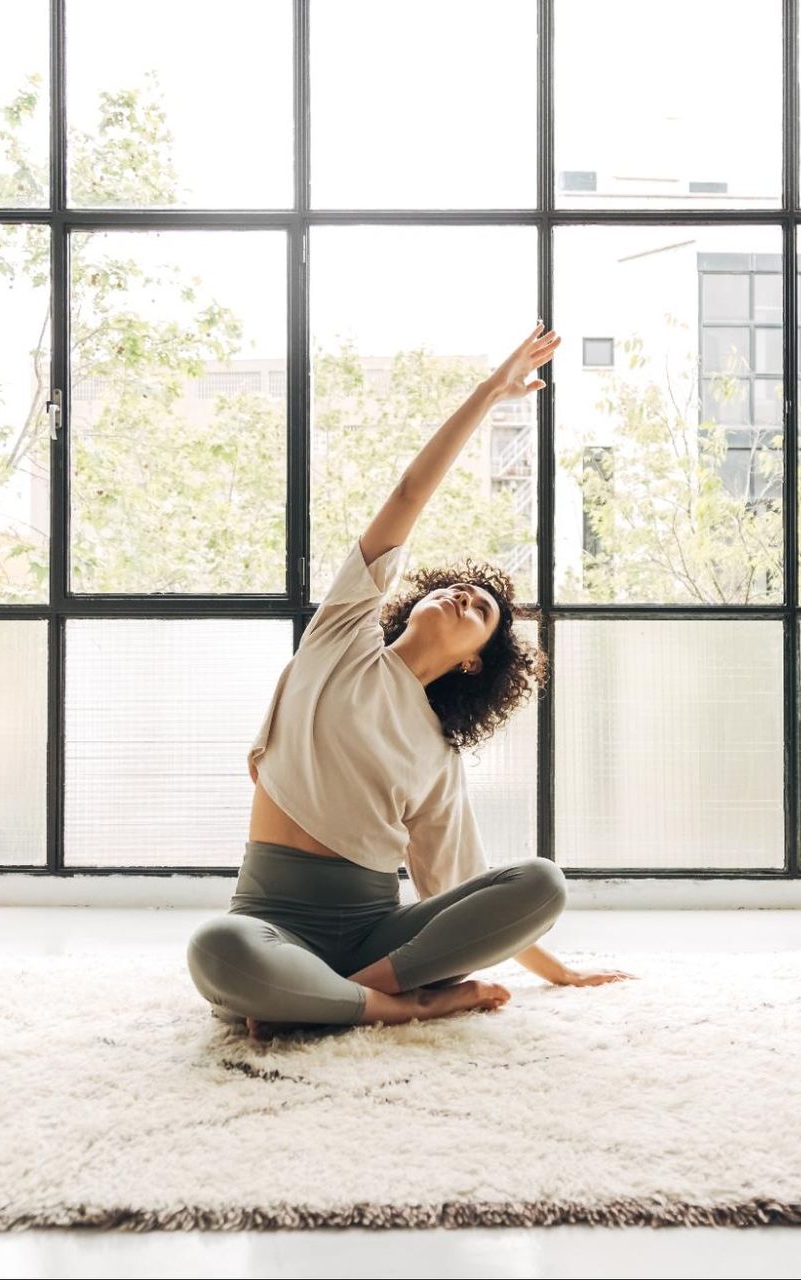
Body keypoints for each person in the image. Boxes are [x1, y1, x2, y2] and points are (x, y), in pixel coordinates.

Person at [188, 324, 631, 1038]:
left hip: (376, 940)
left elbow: (458, 890)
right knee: (217, 951)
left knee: (542, 882)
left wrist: (559, 973)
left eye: (479, 609)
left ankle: (337, 998)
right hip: (271, 926)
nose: (461, 596)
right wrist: (492, 392)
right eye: (453, 588)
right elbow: (407, 494)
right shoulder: (342, 635)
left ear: (473, 662)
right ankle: (399, 1007)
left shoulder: (437, 753)